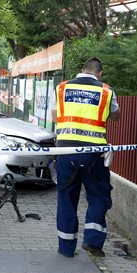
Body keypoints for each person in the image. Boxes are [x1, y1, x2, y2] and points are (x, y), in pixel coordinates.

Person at [51, 57, 121, 258]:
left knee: (66, 198)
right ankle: (92, 241)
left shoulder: (62, 88)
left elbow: (55, 117)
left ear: (82, 70)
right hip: (94, 154)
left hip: (65, 152)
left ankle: (65, 248)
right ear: (100, 73)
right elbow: (116, 116)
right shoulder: (106, 91)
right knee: (99, 196)